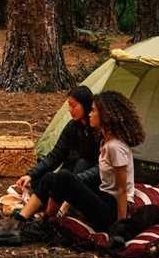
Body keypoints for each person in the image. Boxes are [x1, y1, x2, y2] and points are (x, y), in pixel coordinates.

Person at [41, 91, 145, 231]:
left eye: (94, 110)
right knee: (52, 178)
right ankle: (38, 218)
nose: (89, 113)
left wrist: (120, 225)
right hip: (103, 197)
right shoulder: (105, 142)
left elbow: (122, 190)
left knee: (64, 177)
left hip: (111, 210)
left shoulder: (115, 147)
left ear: (105, 116)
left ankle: (46, 223)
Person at [13, 86, 100, 223]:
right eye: (69, 106)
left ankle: (54, 214)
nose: (70, 110)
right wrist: (30, 174)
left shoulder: (99, 130)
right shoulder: (73, 126)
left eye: (74, 106)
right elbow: (56, 155)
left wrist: (74, 180)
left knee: (82, 163)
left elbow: (102, 168)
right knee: (41, 178)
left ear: (86, 105)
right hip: (71, 173)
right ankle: (24, 218)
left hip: (90, 180)